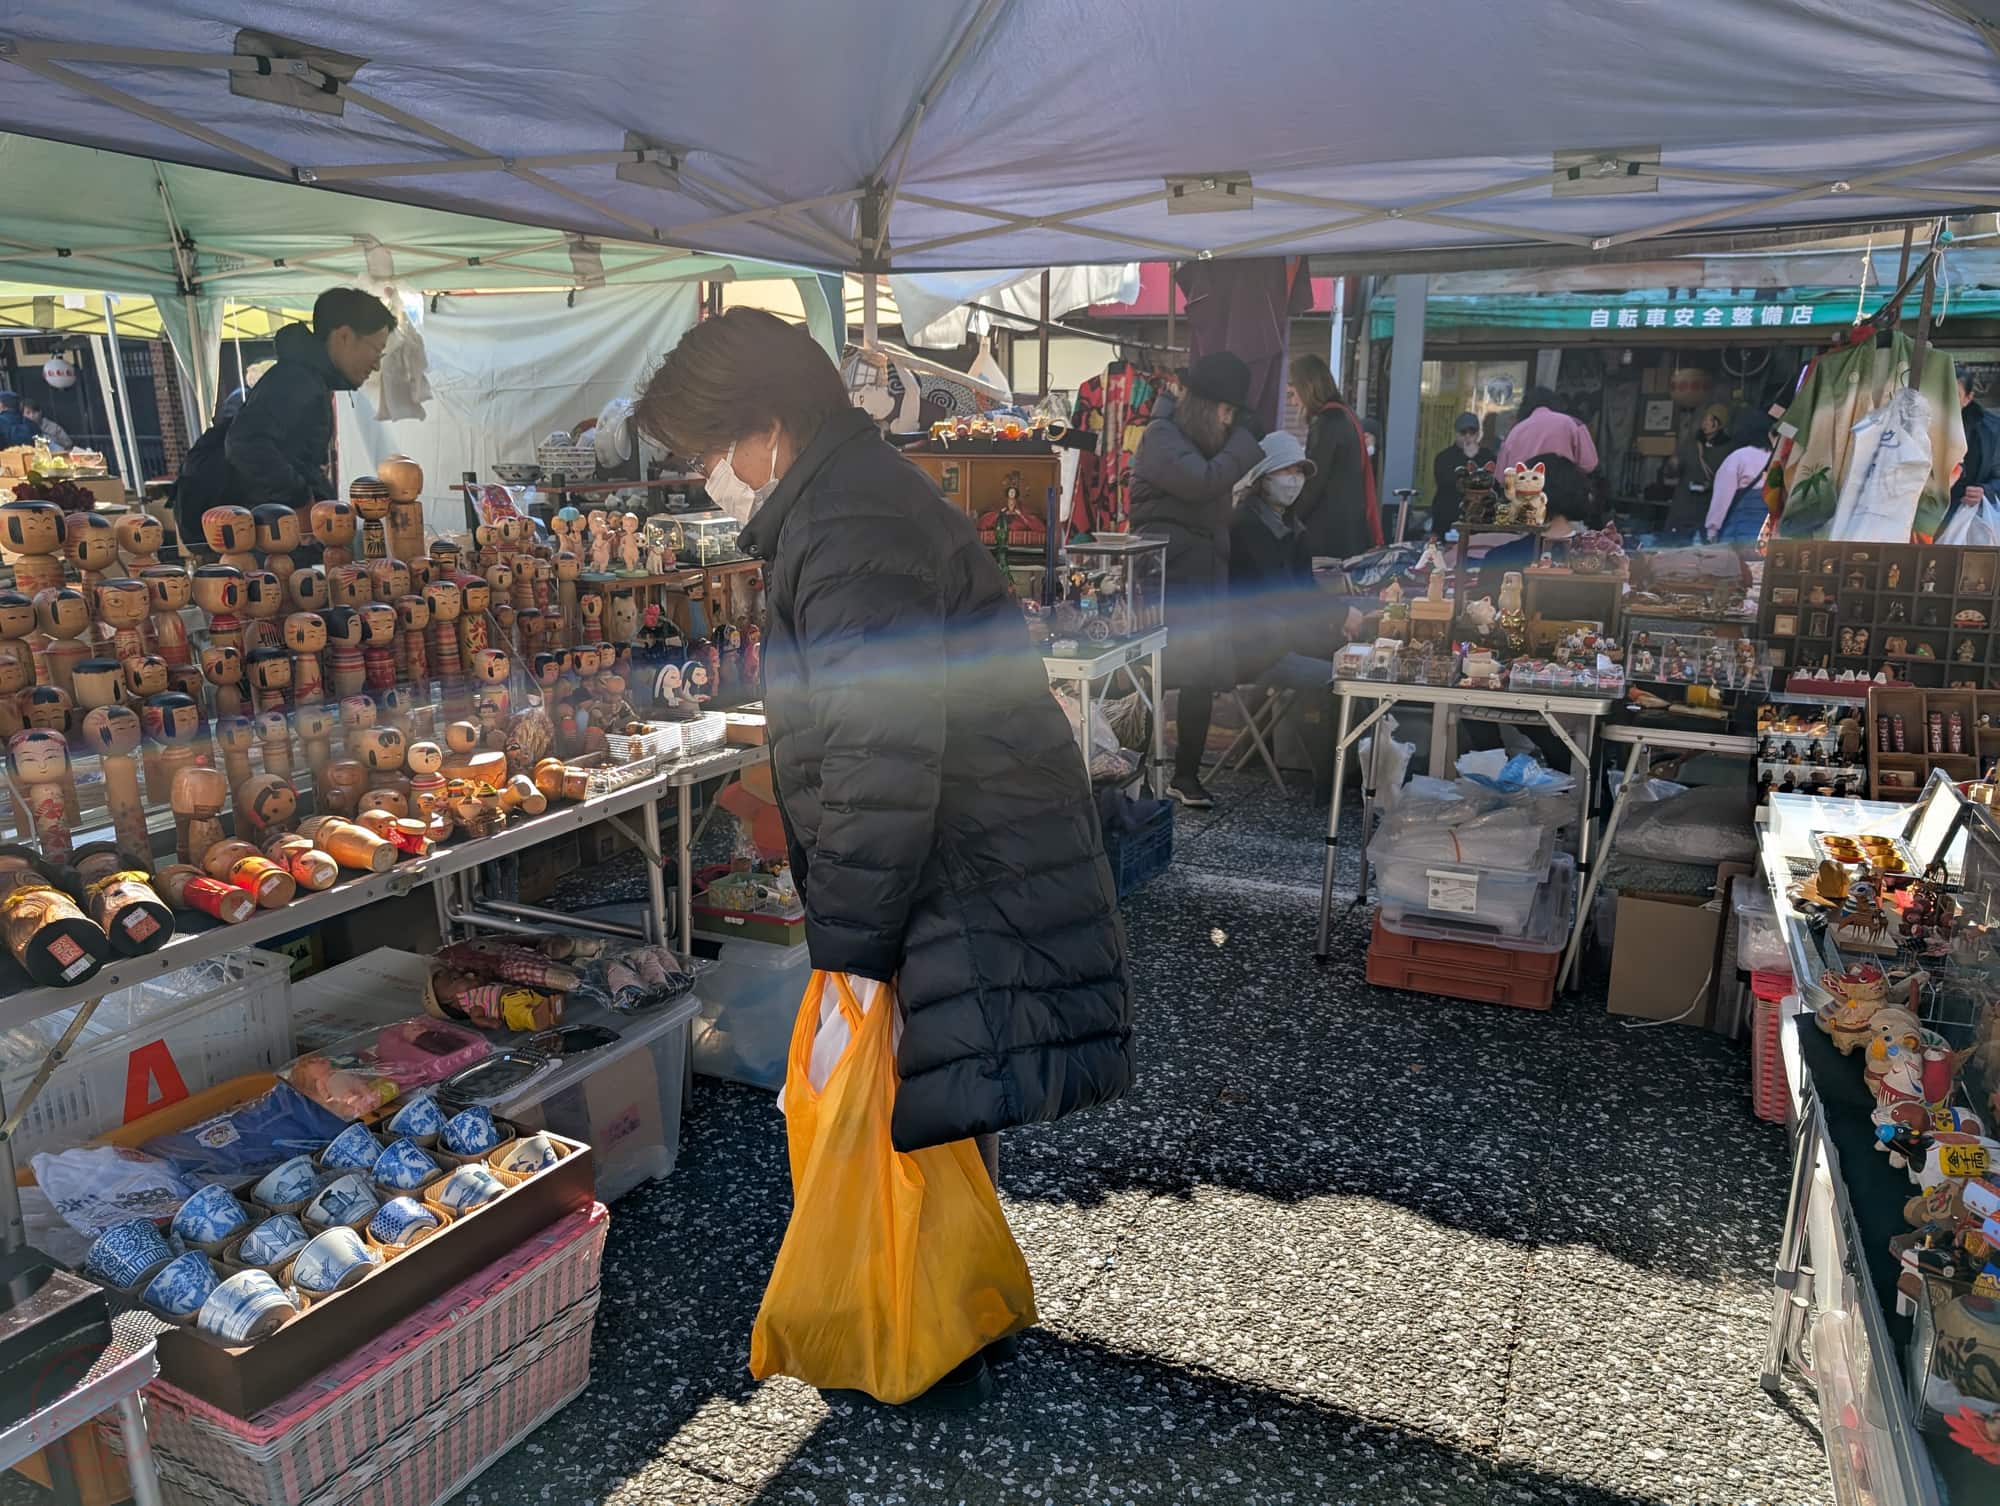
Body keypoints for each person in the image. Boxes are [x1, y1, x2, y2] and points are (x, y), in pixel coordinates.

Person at [633, 308, 1133, 1403]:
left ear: (762, 427)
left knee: (938, 1076)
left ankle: (941, 1320)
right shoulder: (844, 502)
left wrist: (850, 952)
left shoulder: (849, 521)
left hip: (956, 842)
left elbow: (879, 752)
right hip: (968, 835)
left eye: (703, 453)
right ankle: (954, 1303)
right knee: (949, 1076)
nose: (704, 478)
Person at [1130, 351, 1264, 809]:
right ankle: (1140, 768)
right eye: (1226, 411)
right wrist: (1244, 446)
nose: (1229, 422)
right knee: (1157, 677)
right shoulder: (1161, 435)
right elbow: (1203, 483)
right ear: (1206, 405)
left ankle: (1185, 776)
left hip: (1199, 571)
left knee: (1199, 678)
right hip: (1167, 577)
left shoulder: (1193, 440)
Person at [1228, 432, 1336, 798]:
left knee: (1349, 662)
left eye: (1300, 471)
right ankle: (1328, 780)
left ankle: (1343, 772)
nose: (1295, 480)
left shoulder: (1290, 524)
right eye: (1286, 470)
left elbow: (1303, 591)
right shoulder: (1246, 525)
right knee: (1335, 680)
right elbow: (1280, 596)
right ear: (1263, 477)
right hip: (1255, 648)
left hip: (1283, 638)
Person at [222, 287, 393, 511]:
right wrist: (298, 499)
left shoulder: (310, 378)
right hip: (277, 530)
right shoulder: (296, 379)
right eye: (376, 350)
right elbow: (244, 443)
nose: (377, 364)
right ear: (344, 336)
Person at [1287, 353, 1379, 561]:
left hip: (1328, 538)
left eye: (1293, 394)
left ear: (1307, 389)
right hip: (1349, 532)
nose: (1293, 402)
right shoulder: (1346, 415)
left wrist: (1287, 520)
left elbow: (1313, 484)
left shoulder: (1326, 423)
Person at [1704, 410, 1777, 541]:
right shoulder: (1777, 458)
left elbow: (1722, 498)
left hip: (1739, 534)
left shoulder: (1738, 457)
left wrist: (1712, 531)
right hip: (1769, 536)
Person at [1495, 386, 1598, 474]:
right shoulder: (1573, 424)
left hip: (1525, 492)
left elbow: (1502, 475)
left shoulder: (1515, 431)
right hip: (1563, 491)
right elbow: (1589, 464)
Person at [1667, 403, 1733, 532]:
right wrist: (1672, 465)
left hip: (1708, 507)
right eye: (1705, 419)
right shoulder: (1690, 445)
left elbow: (1730, 479)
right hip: (1683, 505)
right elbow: (1672, 473)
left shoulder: (1728, 449)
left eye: (1711, 420)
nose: (1706, 423)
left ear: (1719, 424)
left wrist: (1711, 485)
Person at [1430, 412, 1493, 537]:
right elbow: (1445, 483)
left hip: (1479, 519)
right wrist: (1466, 458)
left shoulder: (1488, 456)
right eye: (1463, 432)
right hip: (1449, 517)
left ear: (1478, 434)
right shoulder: (1444, 457)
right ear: (1456, 433)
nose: (1468, 437)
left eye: (1472, 432)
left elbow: (1492, 484)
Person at [1954, 367, 2000, 511]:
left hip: (1971, 512)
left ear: (1968, 398)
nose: (1947, 402)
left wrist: (1985, 491)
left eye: (1954, 395)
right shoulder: (1920, 425)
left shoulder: (1991, 430)